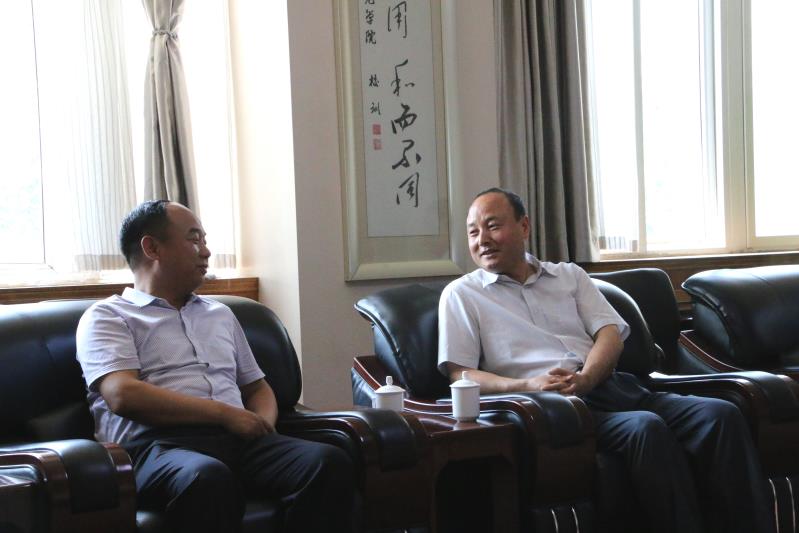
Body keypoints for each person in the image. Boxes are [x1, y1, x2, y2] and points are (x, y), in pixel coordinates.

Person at [438, 187, 775, 533]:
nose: (482, 240)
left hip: (613, 385)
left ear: (524, 226)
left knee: (721, 415)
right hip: (556, 409)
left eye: (493, 226)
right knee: (645, 428)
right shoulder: (462, 295)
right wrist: (528, 384)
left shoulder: (569, 276)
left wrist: (587, 377)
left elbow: (609, 335)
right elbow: (461, 374)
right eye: (473, 232)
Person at [76, 200, 355, 533]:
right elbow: (122, 394)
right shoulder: (108, 316)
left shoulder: (220, 313)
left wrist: (262, 426)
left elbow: (257, 387)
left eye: (205, 240)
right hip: (156, 448)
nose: (206, 251)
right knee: (206, 477)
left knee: (327, 462)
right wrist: (225, 414)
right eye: (194, 239)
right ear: (152, 248)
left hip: (237, 440)